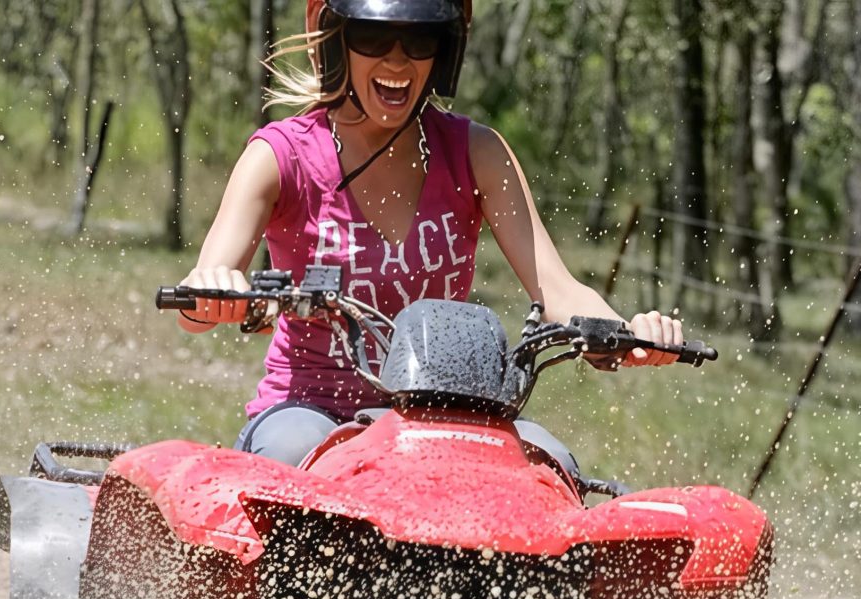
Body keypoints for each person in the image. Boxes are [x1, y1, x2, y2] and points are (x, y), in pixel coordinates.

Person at [176, 0, 683, 465]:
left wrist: (626, 333)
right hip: (311, 410)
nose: (398, 62)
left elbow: (558, 290)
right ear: (334, 36)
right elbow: (202, 293)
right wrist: (216, 291)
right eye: (375, 37)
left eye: (419, 40)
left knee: (552, 468)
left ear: (445, 48)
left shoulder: (477, 154)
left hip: (447, 416)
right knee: (294, 456)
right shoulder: (279, 157)